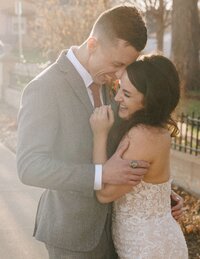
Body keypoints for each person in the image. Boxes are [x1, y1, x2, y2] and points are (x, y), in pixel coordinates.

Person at [17, 5, 183, 259]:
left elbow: (129, 148)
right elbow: (30, 166)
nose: (119, 75)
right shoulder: (44, 88)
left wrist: (159, 196)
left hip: (120, 234)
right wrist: (100, 174)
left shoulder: (110, 83)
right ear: (93, 44)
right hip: (73, 235)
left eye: (124, 67)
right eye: (117, 64)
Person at [90, 54, 188, 259]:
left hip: (149, 249)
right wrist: (168, 197)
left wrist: (99, 135)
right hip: (153, 241)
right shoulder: (156, 130)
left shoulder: (142, 135)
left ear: (149, 100)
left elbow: (104, 194)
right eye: (118, 88)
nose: (117, 99)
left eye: (126, 94)